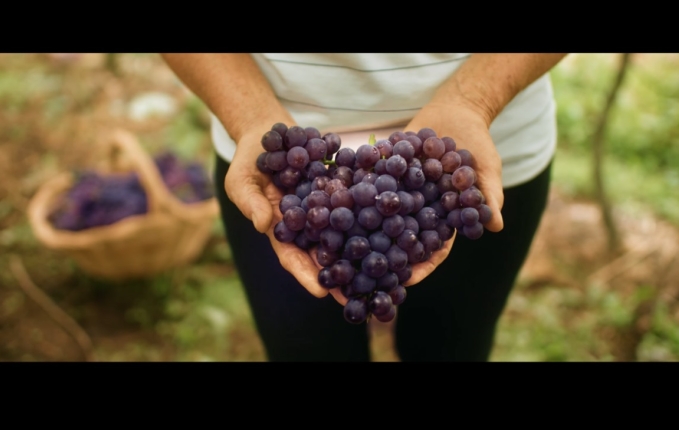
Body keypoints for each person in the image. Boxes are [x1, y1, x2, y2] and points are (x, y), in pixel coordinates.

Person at [161, 53, 567, 361]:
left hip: (477, 150)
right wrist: (249, 117)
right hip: (277, 172)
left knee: (455, 348)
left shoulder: (447, 188)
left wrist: (474, 100)